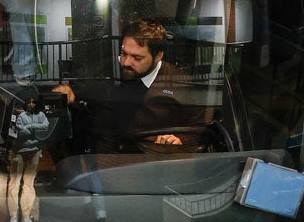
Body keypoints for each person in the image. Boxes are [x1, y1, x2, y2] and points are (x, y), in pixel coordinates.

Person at [70, 18, 204, 152]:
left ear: (158, 56)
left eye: (137, 58)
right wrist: (69, 92)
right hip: (110, 158)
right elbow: (79, 91)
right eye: (123, 54)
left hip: (156, 160)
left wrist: (179, 139)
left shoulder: (180, 83)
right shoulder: (108, 72)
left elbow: (198, 132)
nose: (126, 62)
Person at [7, 95, 50, 222]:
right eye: (29, 102)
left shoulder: (41, 115)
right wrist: (34, 131)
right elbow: (21, 131)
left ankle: (26, 218)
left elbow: (45, 127)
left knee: (29, 185)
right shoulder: (21, 116)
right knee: (14, 183)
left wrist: (30, 126)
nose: (31, 104)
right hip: (20, 150)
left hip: (35, 151)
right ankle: (13, 217)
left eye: (33, 102)